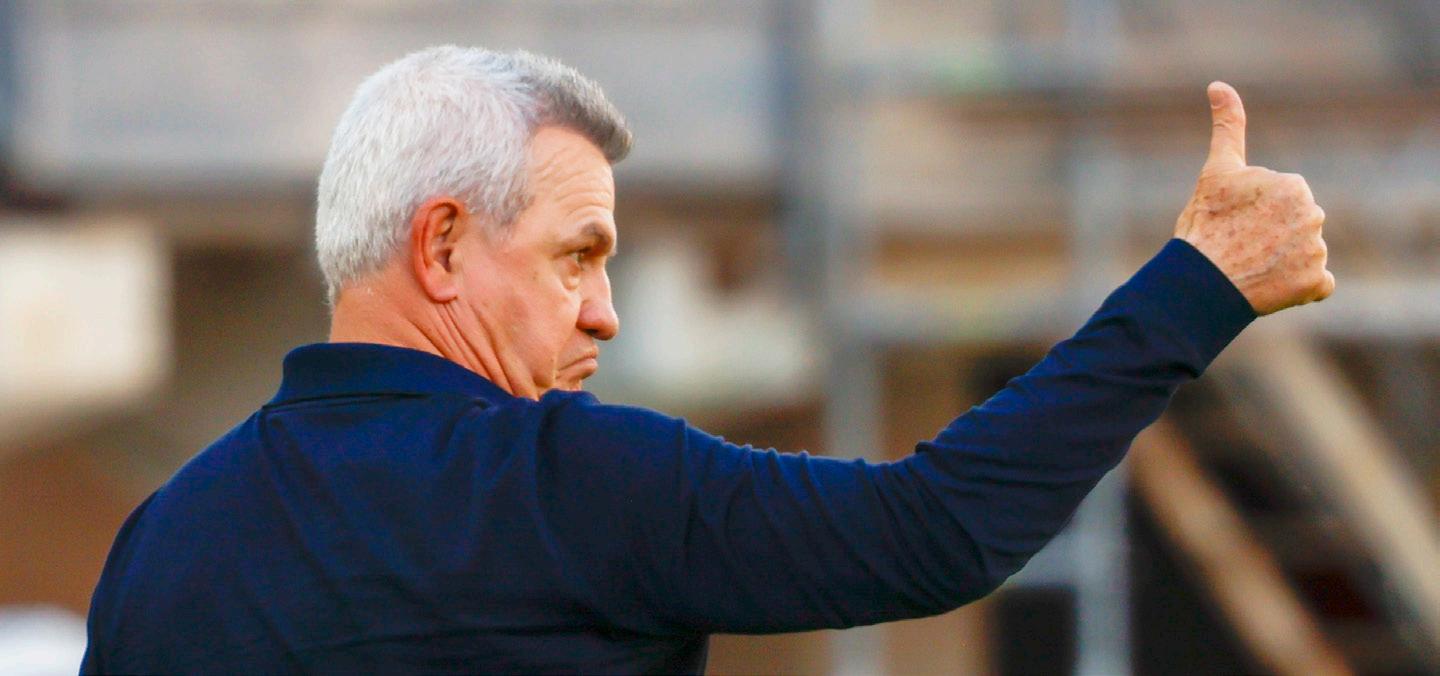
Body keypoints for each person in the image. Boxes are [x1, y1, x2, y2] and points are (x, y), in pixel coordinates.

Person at [81, 46, 1332, 674]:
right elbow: (935, 528)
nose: (604, 314)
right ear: (444, 246)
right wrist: (1198, 285)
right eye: (577, 256)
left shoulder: (161, 541)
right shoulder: (569, 484)